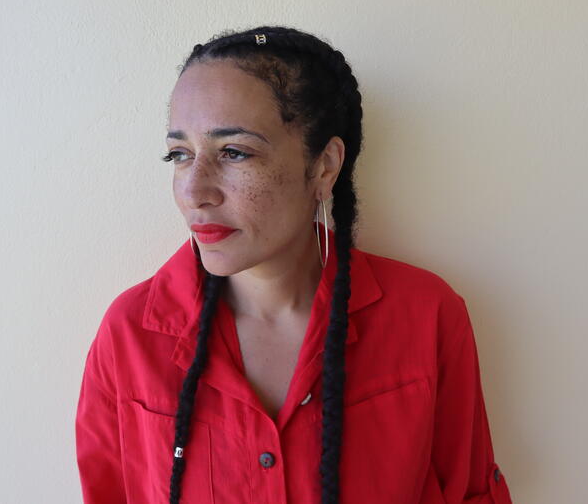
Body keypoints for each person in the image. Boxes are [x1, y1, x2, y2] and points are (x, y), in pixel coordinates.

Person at [75, 25, 514, 504]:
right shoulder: (131, 335)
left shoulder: (427, 317)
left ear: (325, 166)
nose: (194, 192)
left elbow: (471, 491)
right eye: (179, 154)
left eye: (234, 152)